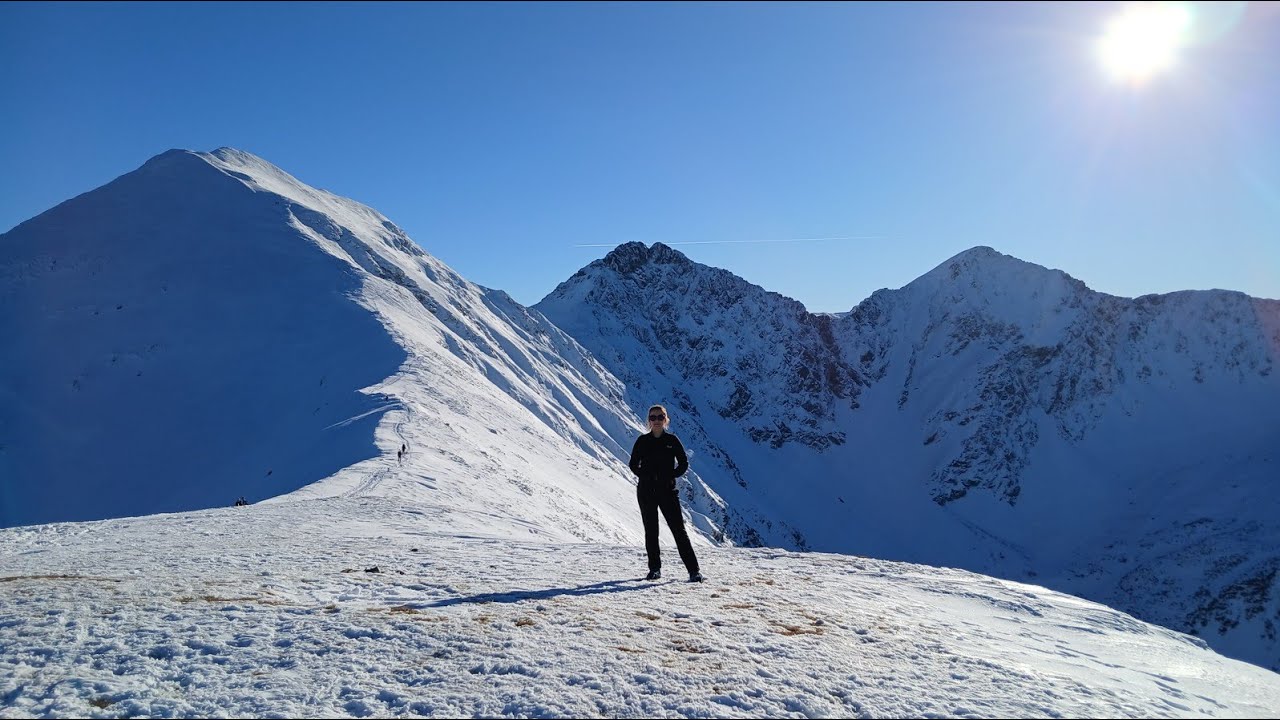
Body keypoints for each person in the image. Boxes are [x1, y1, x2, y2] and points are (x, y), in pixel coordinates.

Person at [628, 404, 703, 583]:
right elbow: (633, 464)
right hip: (646, 491)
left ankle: (694, 571)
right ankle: (654, 569)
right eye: (653, 417)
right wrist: (645, 476)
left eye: (660, 417)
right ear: (649, 420)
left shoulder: (672, 440)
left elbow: (683, 463)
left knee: (679, 530)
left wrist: (671, 476)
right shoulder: (642, 441)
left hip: (667, 491)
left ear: (666, 419)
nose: (656, 421)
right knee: (651, 530)